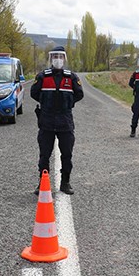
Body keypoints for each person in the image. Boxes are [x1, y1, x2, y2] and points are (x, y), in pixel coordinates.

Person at [30, 46, 84, 195]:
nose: (58, 59)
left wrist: (67, 103)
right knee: (44, 155)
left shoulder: (71, 77)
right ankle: (43, 183)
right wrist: (46, 103)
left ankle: (65, 183)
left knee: (67, 154)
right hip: (46, 121)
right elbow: (34, 93)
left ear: (64, 59)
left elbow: (79, 94)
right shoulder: (42, 76)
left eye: (60, 57)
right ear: (51, 58)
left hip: (65, 121)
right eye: (55, 56)